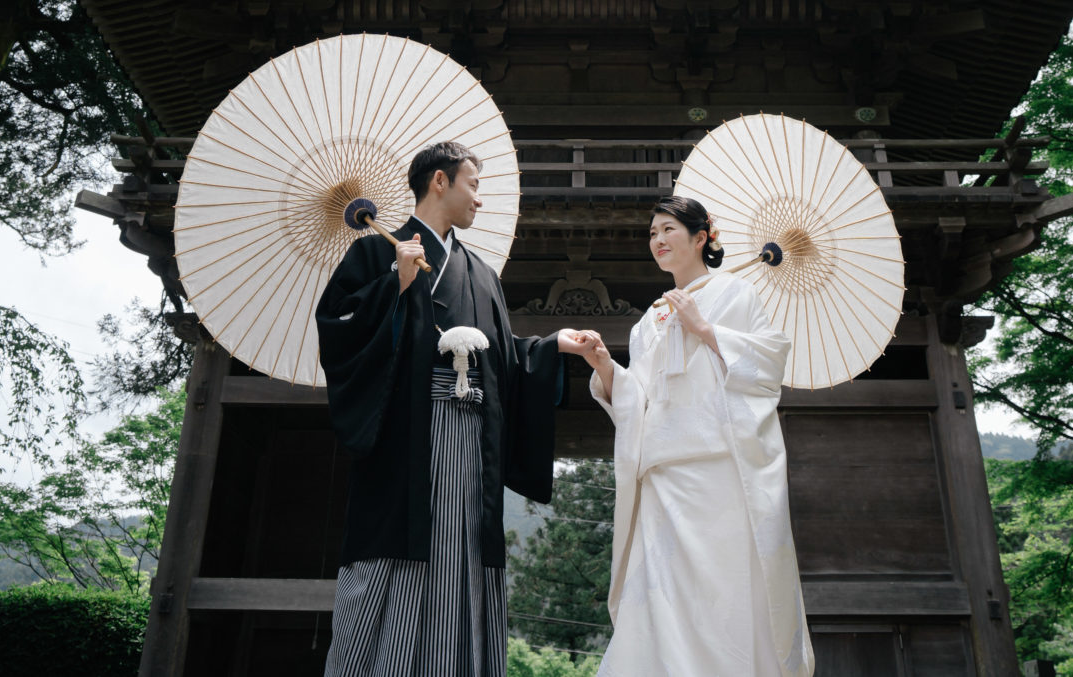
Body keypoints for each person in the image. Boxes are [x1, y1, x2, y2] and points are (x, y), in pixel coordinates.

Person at [316, 140, 600, 677]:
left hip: (471, 446)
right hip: (408, 441)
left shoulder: (482, 275)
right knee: (397, 563)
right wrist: (393, 284)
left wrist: (550, 344)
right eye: (474, 184)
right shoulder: (376, 253)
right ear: (440, 182)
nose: (480, 200)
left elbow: (504, 355)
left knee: (464, 560)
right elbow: (339, 333)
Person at [586, 195, 814, 677]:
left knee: (724, 598)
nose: (659, 241)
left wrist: (706, 328)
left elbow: (767, 367)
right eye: (652, 233)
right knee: (659, 600)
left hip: (719, 473)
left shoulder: (735, 293)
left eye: (668, 229)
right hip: (664, 478)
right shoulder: (651, 317)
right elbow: (639, 398)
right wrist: (607, 367)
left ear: (701, 237)